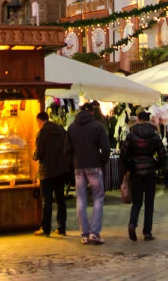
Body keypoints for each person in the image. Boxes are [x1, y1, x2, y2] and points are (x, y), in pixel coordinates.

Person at [64, 101, 110, 245]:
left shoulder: (72, 128)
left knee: (81, 199)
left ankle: (84, 234)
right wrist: (101, 161)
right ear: (91, 112)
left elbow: (66, 151)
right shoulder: (98, 126)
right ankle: (94, 233)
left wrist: (74, 162)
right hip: (94, 166)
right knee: (98, 197)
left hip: (79, 167)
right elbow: (106, 147)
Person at [121, 110, 166, 242]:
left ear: (138, 119)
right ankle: (147, 232)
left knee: (137, 201)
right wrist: (155, 165)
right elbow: (163, 155)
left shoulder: (131, 134)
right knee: (149, 202)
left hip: (136, 172)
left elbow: (123, 154)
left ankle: (132, 224)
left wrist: (130, 166)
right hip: (150, 172)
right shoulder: (155, 135)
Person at [33, 111, 68, 236]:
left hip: (46, 171)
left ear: (40, 121)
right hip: (60, 170)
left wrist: (33, 155)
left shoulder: (41, 133)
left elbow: (39, 153)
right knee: (60, 200)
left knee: (46, 201)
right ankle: (62, 228)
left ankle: (46, 229)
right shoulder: (61, 130)